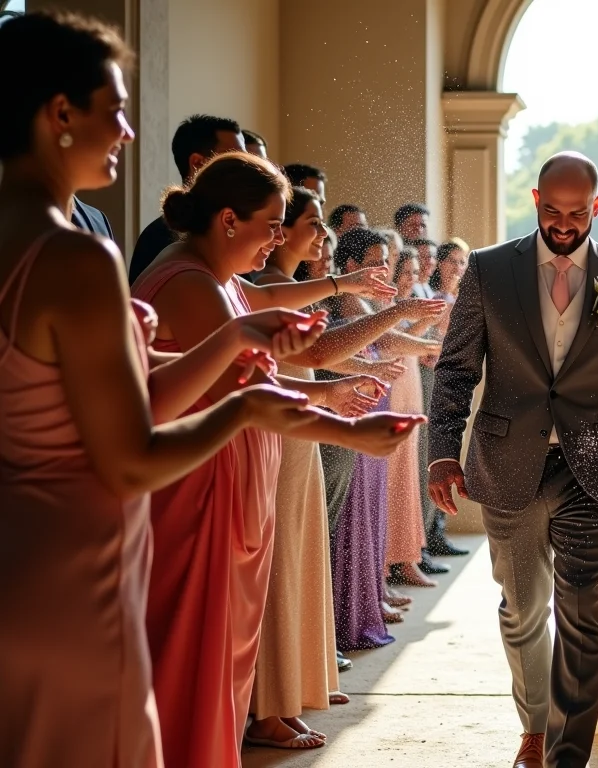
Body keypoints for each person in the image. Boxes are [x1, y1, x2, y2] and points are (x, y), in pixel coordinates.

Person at [0, 11, 320, 766]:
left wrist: (236, 338)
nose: (129, 132)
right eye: (115, 109)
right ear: (60, 115)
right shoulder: (71, 255)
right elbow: (130, 460)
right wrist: (240, 406)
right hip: (76, 575)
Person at [132, 153, 425, 768]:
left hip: (233, 478)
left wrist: (344, 289)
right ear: (229, 220)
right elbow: (246, 385)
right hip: (198, 484)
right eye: (272, 223)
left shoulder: (217, 275)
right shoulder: (187, 282)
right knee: (196, 640)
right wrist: (338, 411)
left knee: (229, 643)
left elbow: (272, 299)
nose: (278, 236)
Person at [426, 151, 598, 768]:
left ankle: (567, 754)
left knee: (582, 615)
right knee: (522, 611)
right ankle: (535, 725)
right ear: (536, 199)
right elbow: (457, 371)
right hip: (506, 462)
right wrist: (442, 454)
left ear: (595, 206)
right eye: (553, 209)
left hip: (593, 466)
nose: (564, 223)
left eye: (577, 212)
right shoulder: (489, 271)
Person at [129, 113, 244, 283]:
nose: (248, 169)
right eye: (235, 159)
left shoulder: (226, 227)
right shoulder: (162, 238)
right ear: (197, 163)